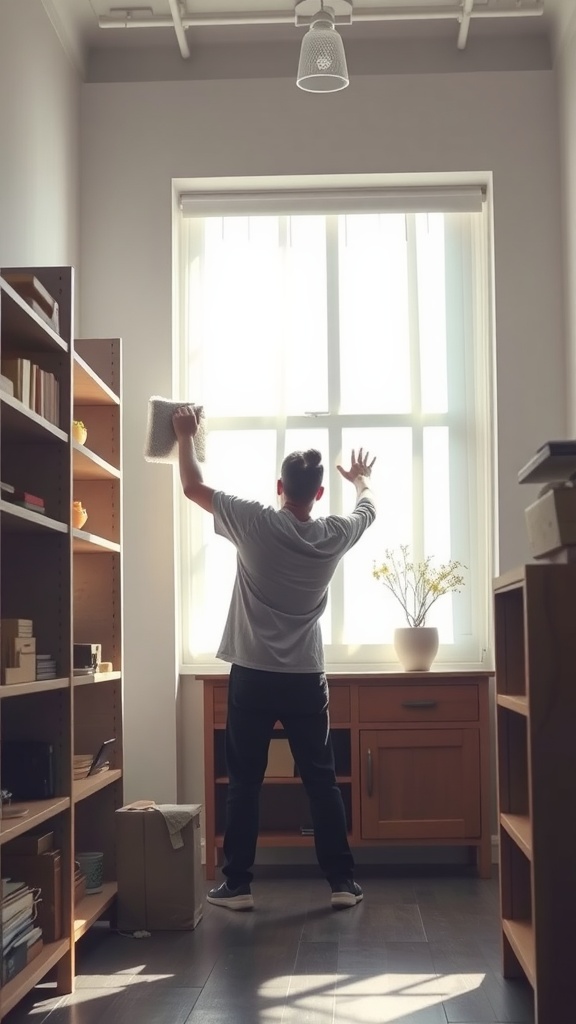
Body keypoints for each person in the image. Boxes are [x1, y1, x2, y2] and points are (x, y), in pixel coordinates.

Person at [172, 405, 376, 912]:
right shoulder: (331, 534)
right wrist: (362, 481)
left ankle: (237, 884)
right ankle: (342, 883)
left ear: (279, 487)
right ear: (319, 493)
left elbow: (193, 487)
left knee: (245, 780)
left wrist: (185, 436)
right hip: (306, 676)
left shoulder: (255, 521)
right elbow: (368, 512)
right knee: (321, 779)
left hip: (254, 674)